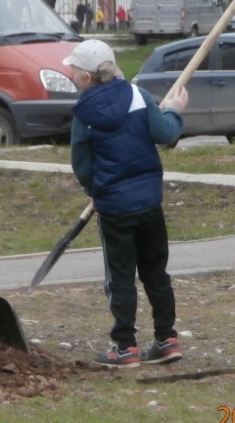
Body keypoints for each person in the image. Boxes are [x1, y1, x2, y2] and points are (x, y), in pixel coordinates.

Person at [62, 39, 188, 368]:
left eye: (73, 71)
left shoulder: (84, 114)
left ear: (87, 78)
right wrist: (174, 110)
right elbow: (166, 134)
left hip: (115, 209)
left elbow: (82, 163)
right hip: (149, 204)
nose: (70, 75)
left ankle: (125, 347)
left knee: (120, 277)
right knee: (155, 273)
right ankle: (167, 339)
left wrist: (94, 189)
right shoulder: (138, 96)